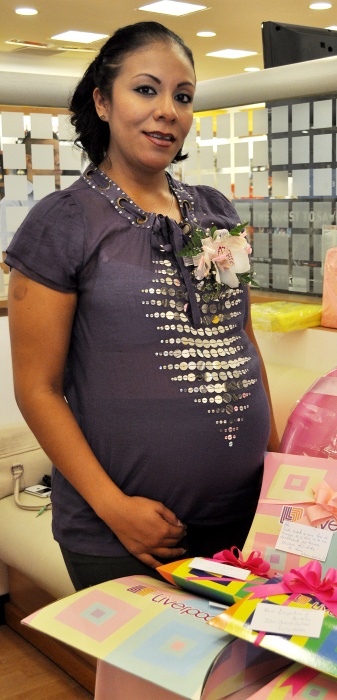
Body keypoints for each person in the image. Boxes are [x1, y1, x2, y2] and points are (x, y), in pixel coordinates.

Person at [6, 21, 279, 591]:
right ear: (103, 102)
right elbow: (36, 387)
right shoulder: (63, 222)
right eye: (146, 90)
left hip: (245, 517)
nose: (167, 111)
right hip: (124, 532)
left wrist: (278, 470)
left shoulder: (217, 211)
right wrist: (113, 508)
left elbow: (241, 342)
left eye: (183, 96)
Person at [0, 133, 60, 254]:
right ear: (29, 160)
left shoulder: (64, 198)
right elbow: (7, 257)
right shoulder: (13, 203)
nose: (59, 161)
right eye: (51, 153)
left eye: (60, 154)